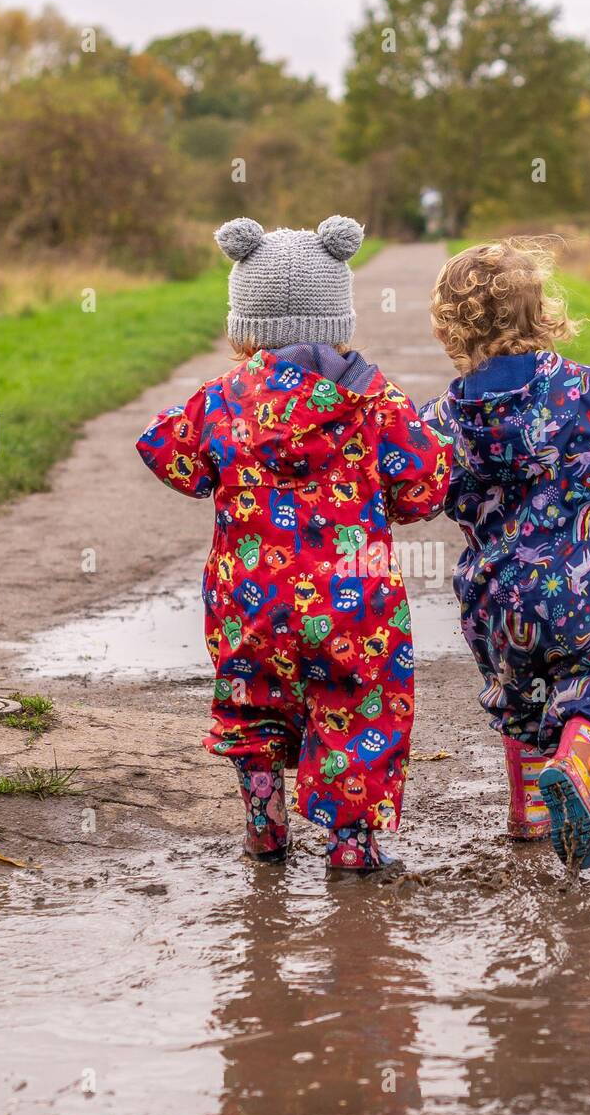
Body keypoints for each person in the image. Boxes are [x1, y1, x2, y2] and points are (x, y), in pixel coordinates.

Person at [137, 215, 450, 872]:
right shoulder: (374, 402)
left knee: (252, 709)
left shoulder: (220, 400)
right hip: (353, 607)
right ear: (338, 318)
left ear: (244, 324)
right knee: (358, 714)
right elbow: (425, 484)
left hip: (249, 605)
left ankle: (265, 828)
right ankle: (351, 845)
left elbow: (167, 452)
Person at [421, 237, 590, 870]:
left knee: (523, 699)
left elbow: (415, 491)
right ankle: (575, 766)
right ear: (543, 312)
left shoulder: (442, 417)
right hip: (587, 589)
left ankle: (529, 819)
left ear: (451, 325)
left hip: (495, 602)